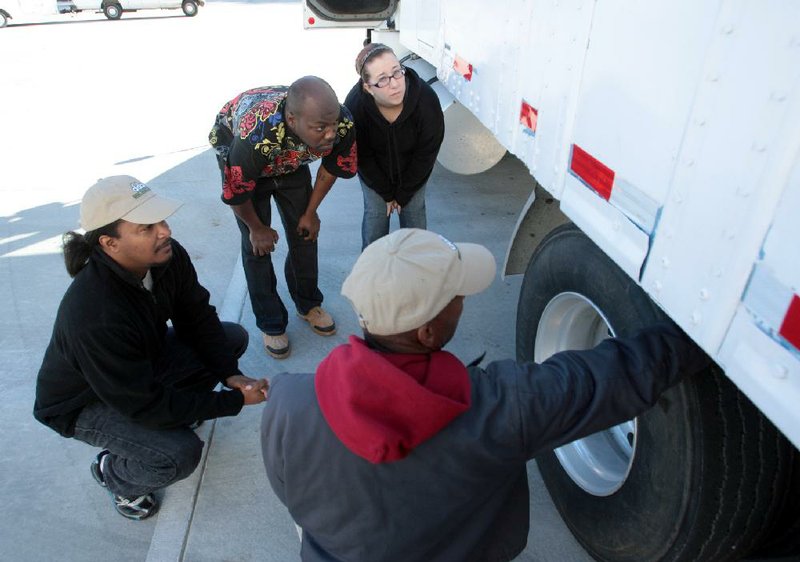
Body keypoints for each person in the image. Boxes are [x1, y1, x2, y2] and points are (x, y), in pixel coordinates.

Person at [260, 228, 710, 561]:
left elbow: (291, 495)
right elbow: (615, 375)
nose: (463, 301)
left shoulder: (287, 401)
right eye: (457, 295)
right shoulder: (504, 406)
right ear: (429, 331)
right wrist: (706, 334)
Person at [34, 176, 268, 521]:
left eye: (161, 220)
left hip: (137, 369)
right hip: (83, 402)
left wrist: (231, 375)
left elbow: (197, 318)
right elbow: (143, 404)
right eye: (146, 227)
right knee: (178, 453)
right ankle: (114, 474)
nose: (165, 231)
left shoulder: (167, 259)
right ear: (109, 243)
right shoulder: (95, 313)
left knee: (229, 340)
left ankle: (175, 416)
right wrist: (232, 401)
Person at [209, 76, 358, 359]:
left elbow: (331, 169)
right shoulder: (256, 136)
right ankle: (271, 322)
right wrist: (256, 228)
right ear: (292, 119)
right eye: (320, 128)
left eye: (333, 125)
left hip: (290, 160)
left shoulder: (343, 123)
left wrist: (310, 213)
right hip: (246, 157)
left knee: (305, 232)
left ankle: (308, 303)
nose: (330, 134)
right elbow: (236, 192)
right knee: (257, 246)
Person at [344, 43, 445, 249]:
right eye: (382, 79)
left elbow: (427, 152)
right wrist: (386, 193)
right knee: (376, 216)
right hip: (375, 170)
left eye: (397, 72)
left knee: (414, 216)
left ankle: (417, 271)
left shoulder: (425, 99)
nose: (395, 84)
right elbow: (362, 156)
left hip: (413, 169)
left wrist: (404, 193)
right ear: (367, 87)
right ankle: (373, 273)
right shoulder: (355, 106)